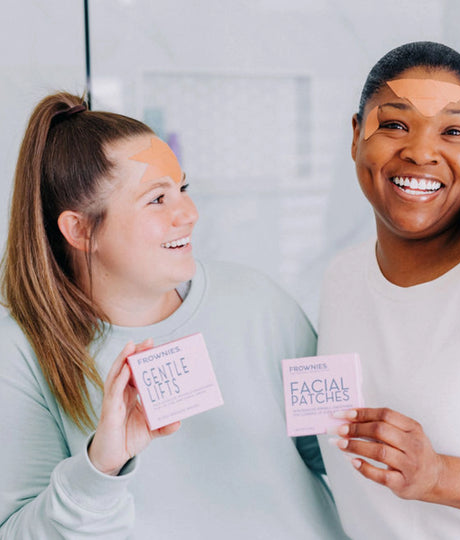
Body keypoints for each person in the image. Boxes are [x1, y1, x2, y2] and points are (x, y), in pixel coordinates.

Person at [0, 92, 347, 539]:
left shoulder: (258, 301)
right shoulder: (21, 353)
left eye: (181, 189)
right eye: (156, 200)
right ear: (81, 230)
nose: (189, 214)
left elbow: (335, 454)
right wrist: (100, 467)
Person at [318, 41, 460, 539]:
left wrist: (438, 476)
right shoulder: (342, 278)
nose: (420, 151)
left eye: (454, 131)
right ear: (356, 136)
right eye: (395, 124)